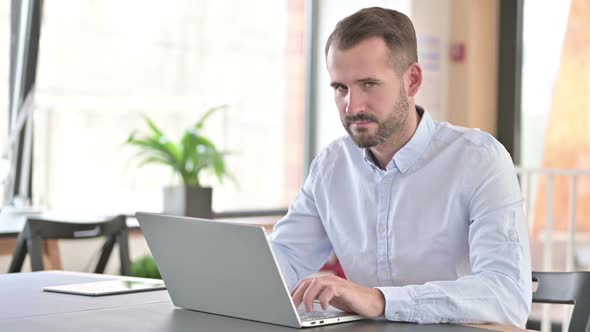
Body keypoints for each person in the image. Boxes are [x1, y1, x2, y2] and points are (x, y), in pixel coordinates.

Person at [269, 7, 531, 328]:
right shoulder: (331, 165)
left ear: (412, 80)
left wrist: (379, 299)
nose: (352, 106)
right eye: (341, 88)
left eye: (368, 84)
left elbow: (507, 295)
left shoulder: (480, 159)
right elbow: (287, 258)